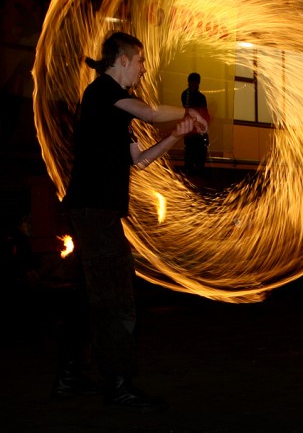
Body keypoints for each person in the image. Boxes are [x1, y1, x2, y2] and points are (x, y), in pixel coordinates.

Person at [53, 31, 208, 412]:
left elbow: (139, 160)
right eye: (140, 61)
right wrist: (189, 113)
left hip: (93, 210)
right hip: (96, 211)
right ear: (122, 59)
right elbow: (152, 112)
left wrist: (175, 135)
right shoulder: (102, 91)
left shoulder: (112, 110)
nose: (143, 68)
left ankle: (70, 374)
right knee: (117, 299)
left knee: (90, 294)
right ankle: (119, 385)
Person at [181, 72, 210, 175]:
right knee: (198, 156)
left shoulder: (185, 94)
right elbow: (203, 114)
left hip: (190, 131)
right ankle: (195, 173)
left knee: (190, 155)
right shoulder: (199, 97)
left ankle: (190, 174)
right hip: (195, 131)